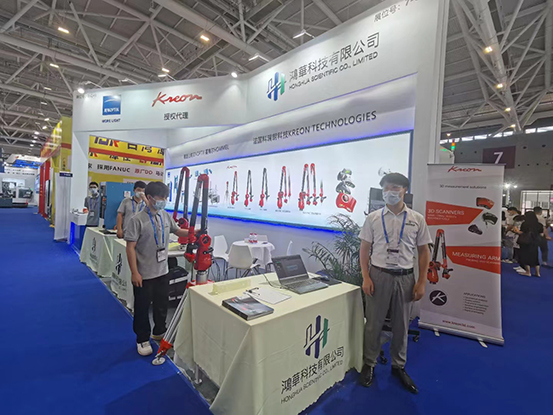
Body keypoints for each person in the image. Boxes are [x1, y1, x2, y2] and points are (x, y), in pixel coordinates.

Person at [358, 172, 431, 394]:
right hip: (378, 275)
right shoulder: (373, 218)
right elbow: (364, 249)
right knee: (373, 322)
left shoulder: (417, 219)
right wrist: (366, 277)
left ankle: (398, 365)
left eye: (395, 188)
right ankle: (369, 363)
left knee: (401, 324)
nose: (390, 192)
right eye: (386, 188)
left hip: (405, 277)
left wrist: (421, 282)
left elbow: (424, 251)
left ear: (404, 191)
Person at [125, 181, 189, 356]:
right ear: (149, 197)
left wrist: (194, 233)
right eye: (161, 198)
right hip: (144, 274)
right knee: (142, 307)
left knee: (162, 305)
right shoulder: (137, 220)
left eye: (166, 198)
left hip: (162, 271)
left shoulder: (165, 216)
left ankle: (159, 331)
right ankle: (142, 338)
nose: (163, 201)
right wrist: (134, 272)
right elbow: (130, 247)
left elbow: (178, 231)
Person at [516, 211, 543, 277]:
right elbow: (541, 234)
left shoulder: (525, 224)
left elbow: (521, 232)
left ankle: (528, 272)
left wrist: (516, 230)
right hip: (535, 242)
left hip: (526, 242)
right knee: (535, 257)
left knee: (525, 256)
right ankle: (537, 272)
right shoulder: (539, 225)